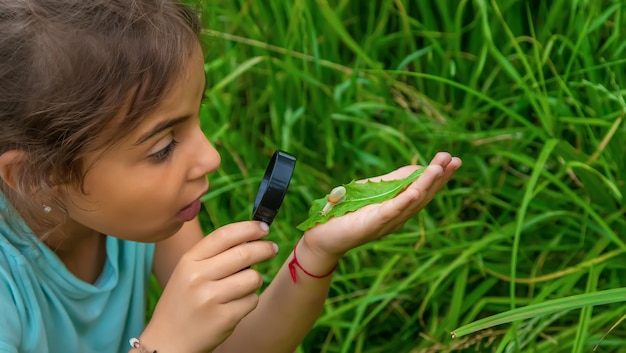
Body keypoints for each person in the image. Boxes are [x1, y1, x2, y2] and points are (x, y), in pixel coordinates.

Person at [0, 0, 462, 352]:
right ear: (39, 175)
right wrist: (163, 344)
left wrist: (315, 252)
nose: (211, 157)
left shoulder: (142, 219)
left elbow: (238, 346)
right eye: (162, 148)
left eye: (196, 114)